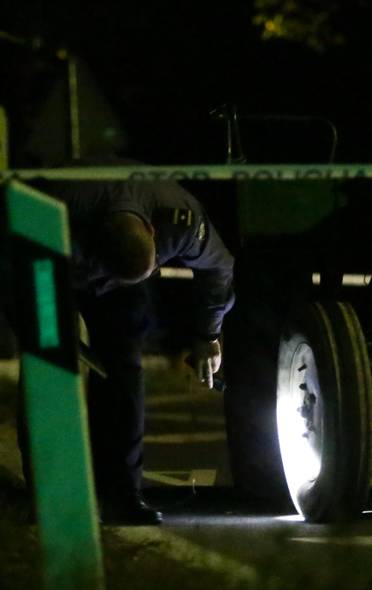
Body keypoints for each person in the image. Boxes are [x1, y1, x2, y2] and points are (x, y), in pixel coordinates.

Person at [17, 158, 235, 525]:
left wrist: (207, 335)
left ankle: (121, 493)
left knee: (123, 368)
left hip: (120, 284)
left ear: (152, 231)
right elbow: (12, 273)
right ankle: (48, 492)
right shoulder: (53, 210)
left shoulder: (178, 217)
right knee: (48, 367)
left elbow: (219, 267)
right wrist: (40, 326)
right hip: (53, 267)